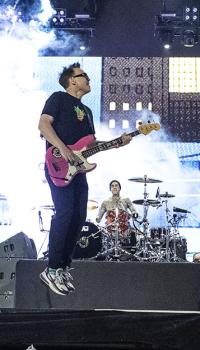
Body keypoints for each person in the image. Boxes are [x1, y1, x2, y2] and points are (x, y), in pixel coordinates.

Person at [38, 62, 131, 295]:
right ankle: (50, 269)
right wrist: (63, 148)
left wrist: (115, 143)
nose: (88, 79)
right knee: (66, 212)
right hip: (59, 164)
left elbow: (90, 146)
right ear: (72, 81)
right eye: (83, 75)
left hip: (78, 169)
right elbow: (43, 125)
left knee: (79, 216)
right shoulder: (58, 98)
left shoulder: (87, 111)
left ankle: (63, 267)